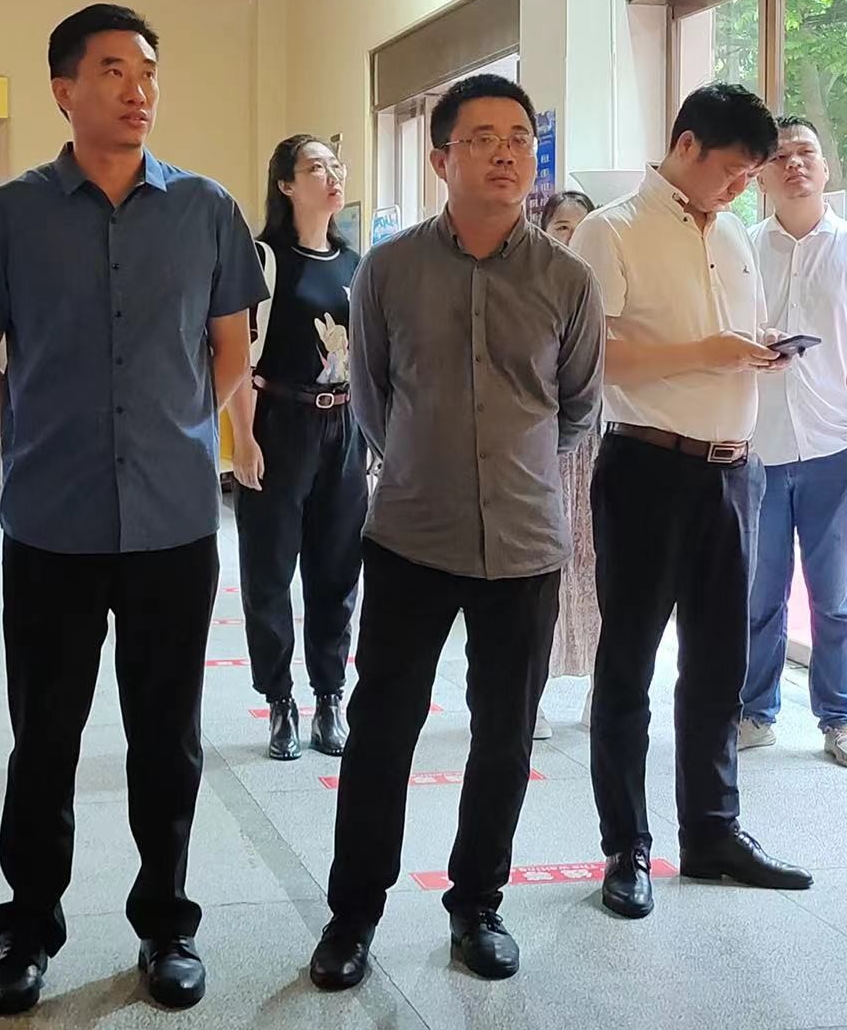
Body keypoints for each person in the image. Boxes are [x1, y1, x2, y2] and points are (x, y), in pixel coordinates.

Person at [0, 4, 264, 1014]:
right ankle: (27, 928)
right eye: (114, 69)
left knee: (167, 736)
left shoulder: (206, 209)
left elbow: (231, 350)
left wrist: (176, 426)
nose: (138, 89)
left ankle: (166, 923)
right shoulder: (11, 213)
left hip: (174, 522)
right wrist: (35, 434)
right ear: (64, 90)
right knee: (44, 737)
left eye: (149, 71)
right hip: (51, 525)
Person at [307, 74, 603, 990]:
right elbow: (372, 398)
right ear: (442, 158)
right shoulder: (388, 270)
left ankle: (477, 905)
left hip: (523, 545)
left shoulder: (567, 279)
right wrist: (427, 463)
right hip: (411, 536)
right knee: (382, 731)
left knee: (504, 738)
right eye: (483, 138)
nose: (507, 153)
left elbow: (576, 408)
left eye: (518, 138)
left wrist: (509, 470)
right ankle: (353, 915)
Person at [570, 82, 812, 922]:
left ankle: (712, 833)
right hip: (647, 466)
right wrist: (706, 350)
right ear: (684, 147)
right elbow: (594, 358)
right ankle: (626, 846)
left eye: (752, 175)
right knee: (629, 663)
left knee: (718, 664)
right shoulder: (611, 230)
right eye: (734, 170)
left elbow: (727, 342)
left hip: (732, 472)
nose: (743, 187)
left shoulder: (735, 234)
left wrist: (757, 350)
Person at [738, 117, 847, 769]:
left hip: (836, 448)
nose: (794, 164)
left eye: (806, 154)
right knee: (759, 593)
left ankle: (841, 718)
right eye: (780, 156)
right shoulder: (740, 250)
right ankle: (754, 711)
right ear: (760, 176)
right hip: (759, 449)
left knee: (835, 597)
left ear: (827, 169)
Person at [232, 134, 366, 761]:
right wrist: (243, 441)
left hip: (344, 426)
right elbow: (238, 359)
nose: (332, 176)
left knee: (337, 569)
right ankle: (279, 699)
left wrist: (372, 435)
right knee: (269, 569)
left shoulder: (355, 263)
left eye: (335, 166)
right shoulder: (265, 259)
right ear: (286, 184)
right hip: (279, 422)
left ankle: (330, 695)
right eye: (316, 167)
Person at [536, 188, 601, 740]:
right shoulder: (535, 285)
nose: (574, 238)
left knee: (599, 568)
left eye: (583, 227)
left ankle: (601, 689)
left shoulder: (607, 286)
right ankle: (529, 693)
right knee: (544, 571)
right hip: (546, 446)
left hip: (602, 443)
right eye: (562, 227)